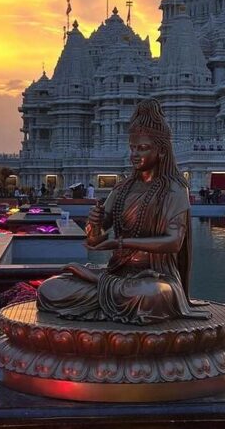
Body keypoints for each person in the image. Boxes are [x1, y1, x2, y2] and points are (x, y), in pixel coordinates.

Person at [37, 99, 209, 324]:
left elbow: (174, 242)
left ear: (162, 151)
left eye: (143, 148)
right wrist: (94, 224)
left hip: (154, 278)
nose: (135, 154)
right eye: (133, 148)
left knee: (151, 295)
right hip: (118, 272)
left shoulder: (175, 189)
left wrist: (120, 243)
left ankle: (103, 286)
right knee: (49, 289)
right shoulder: (122, 188)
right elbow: (95, 240)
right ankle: (105, 285)